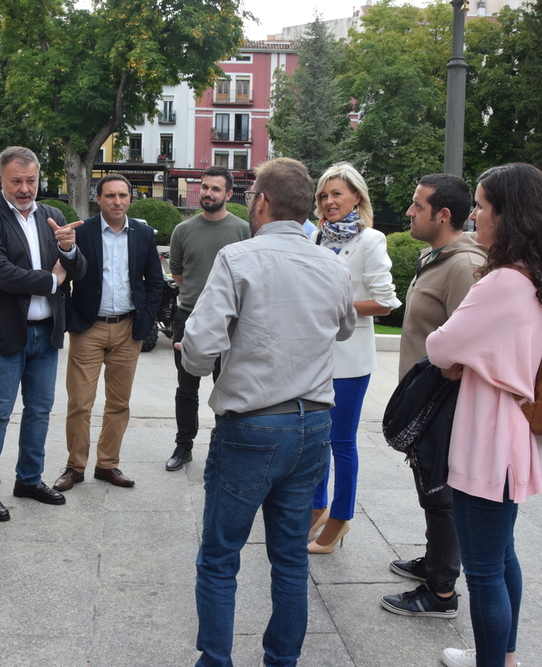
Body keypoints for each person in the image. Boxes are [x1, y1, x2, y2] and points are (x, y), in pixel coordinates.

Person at [181, 157, 356, 667]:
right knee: (288, 560)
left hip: (252, 425)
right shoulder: (332, 264)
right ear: (306, 208)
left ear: (260, 202)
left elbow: (197, 352)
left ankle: (215, 661)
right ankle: (282, 661)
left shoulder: (239, 259)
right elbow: (344, 328)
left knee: (219, 557)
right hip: (312, 424)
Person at [427, 163, 542, 667]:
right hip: (512, 436)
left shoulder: (503, 283)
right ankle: (504, 656)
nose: (475, 218)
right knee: (501, 556)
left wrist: (463, 358)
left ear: (507, 216)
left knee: (485, 568)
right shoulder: (538, 276)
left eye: (483, 207)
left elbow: (440, 345)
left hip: (488, 441)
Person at [380, 173, 486, 618]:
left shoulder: (462, 265)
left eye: (417, 205)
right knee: (429, 488)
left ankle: (442, 591)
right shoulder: (437, 257)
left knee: (441, 494)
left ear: (443, 215)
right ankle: (434, 563)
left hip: (444, 401)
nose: (409, 211)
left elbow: (470, 341)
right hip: (426, 398)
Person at [0, 146, 87, 522]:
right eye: (16, 181)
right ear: (2, 179)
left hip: (46, 333)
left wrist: (68, 251)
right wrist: (53, 280)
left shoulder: (51, 216)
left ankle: (29, 479)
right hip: (5, 334)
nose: (24, 188)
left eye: (31, 180)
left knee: (39, 411)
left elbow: (79, 271)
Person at [308, 163, 401, 554]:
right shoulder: (315, 238)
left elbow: (385, 302)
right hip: (314, 357)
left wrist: (336, 305)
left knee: (340, 441)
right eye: (324, 196)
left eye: (337, 195)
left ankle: (341, 517)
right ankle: (316, 507)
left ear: (357, 199)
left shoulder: (371, 240)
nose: (329, 202)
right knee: (315, 439)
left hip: (350, 359)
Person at [52, 174, 164, 491]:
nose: (117, 201)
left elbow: (155, 281)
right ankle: (75, 467)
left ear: (130, 199)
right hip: (89, 328)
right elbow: (64, 276)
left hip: (128, 329)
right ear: (98, 199)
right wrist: (73, 317)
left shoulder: (142, 234)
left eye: (123, 195)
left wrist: (146, 319)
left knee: (119, 404)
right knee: (80, 403)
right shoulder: (82, 232)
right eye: (110, 195)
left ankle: (107, 465)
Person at [164, 165, 250, 472]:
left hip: (229, 323)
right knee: (186, 388)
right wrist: (201, 304)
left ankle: (223, 448)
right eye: (204, 187)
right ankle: (183, 446)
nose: (208, 193)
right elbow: (178, 273)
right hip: (188, 318)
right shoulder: (183, 231)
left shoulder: (243, 230)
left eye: (215, 189)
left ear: (228, 194)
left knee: (225, 387)